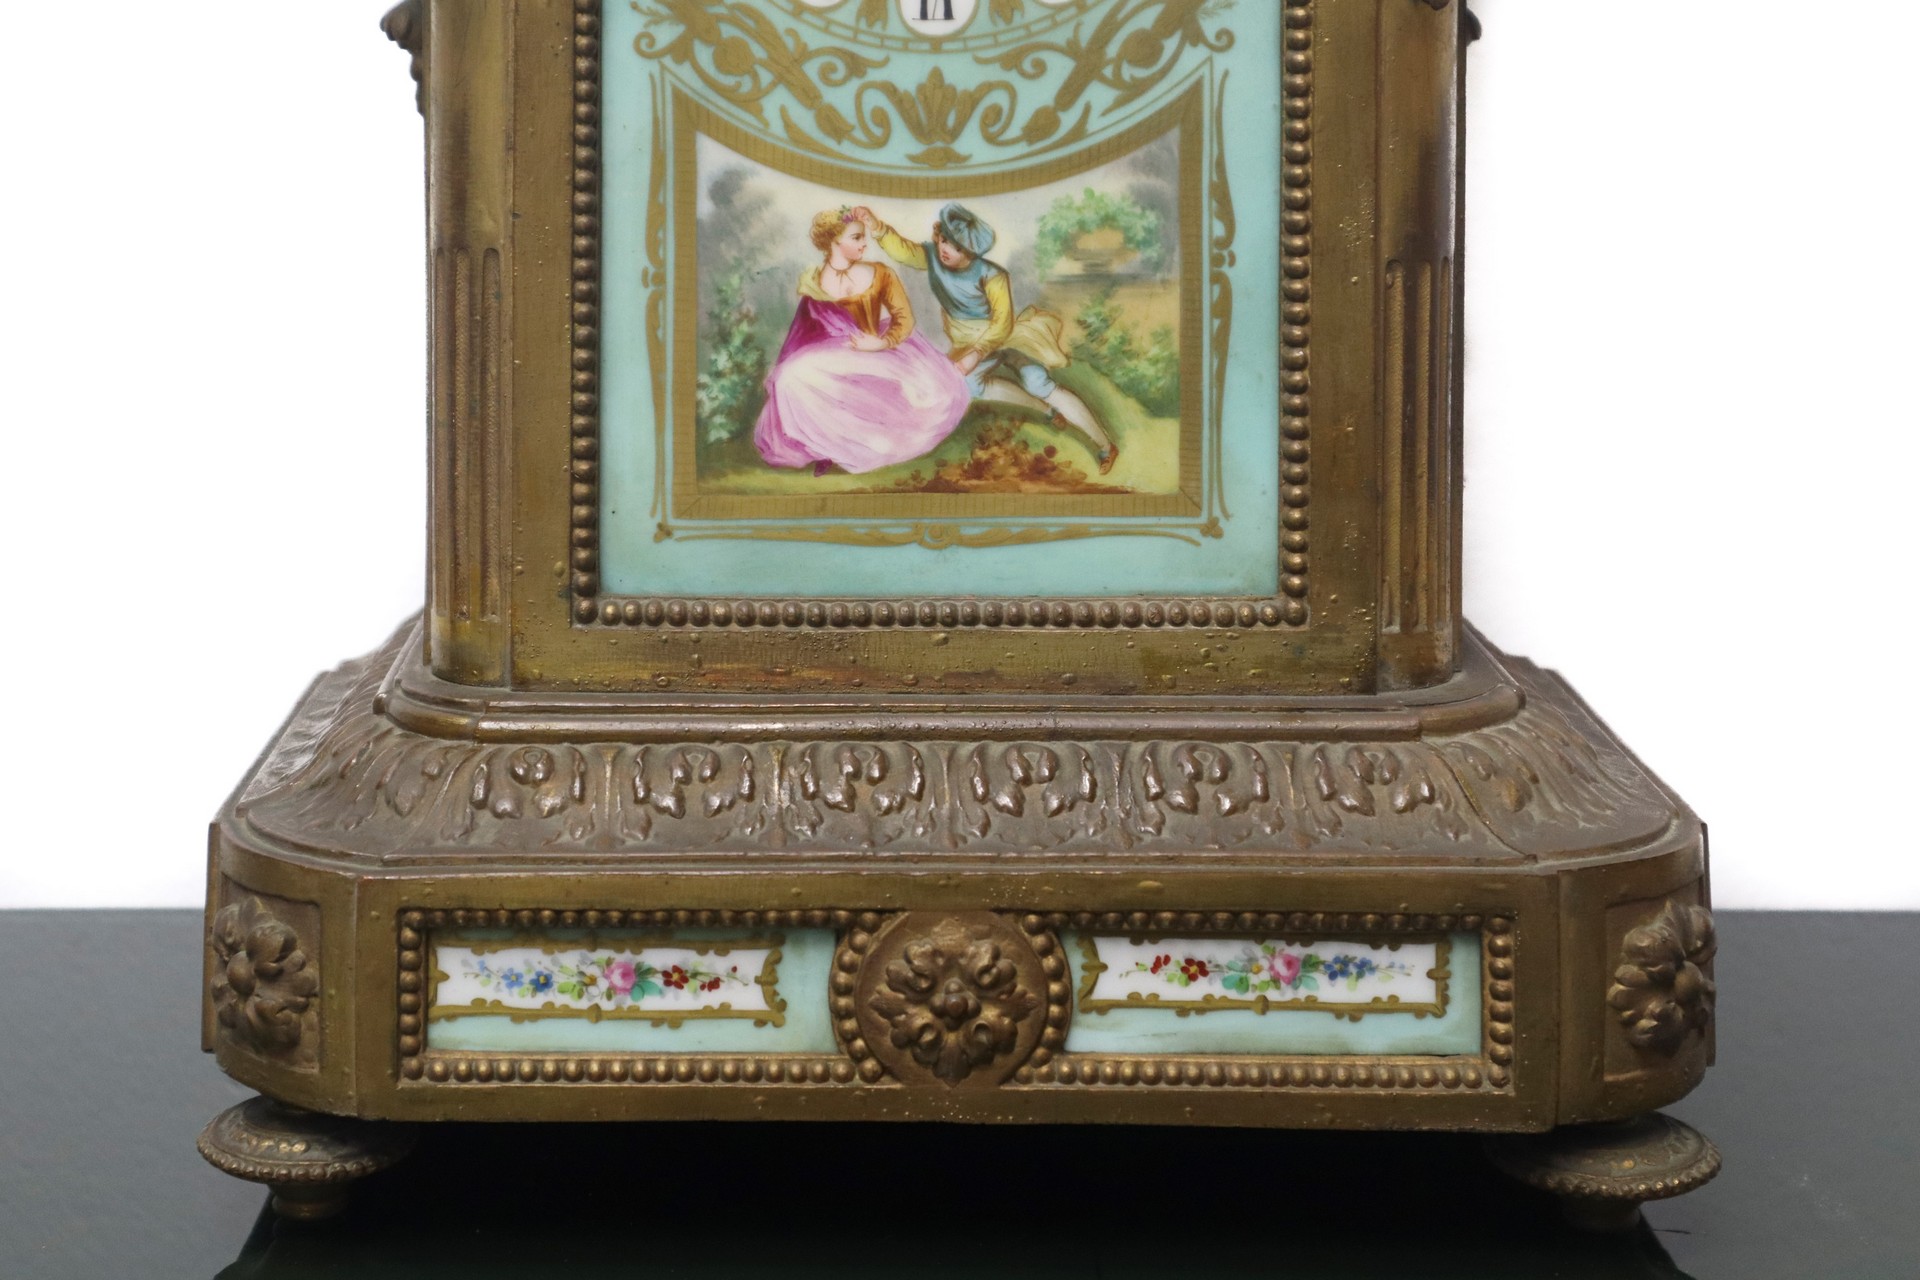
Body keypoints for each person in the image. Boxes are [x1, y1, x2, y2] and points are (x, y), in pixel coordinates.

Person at [856, 202, 1119, 473]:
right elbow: (903, 251)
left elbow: (1002, 324)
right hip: (968, 341)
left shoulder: (992, 276)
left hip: (1006, 337)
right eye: (944, 240)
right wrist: (876, 226)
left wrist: (977, 353)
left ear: (971, 252)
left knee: (1037, 382)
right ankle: (1046, 411)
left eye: (957, 247)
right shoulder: (933, 257)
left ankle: (1104, 445)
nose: (946, 249)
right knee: (972, 386)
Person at [753, 208, 971, 475]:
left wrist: (881, 343)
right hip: (831, 359)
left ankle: (870, 446)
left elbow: (904, 320)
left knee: (930, 392)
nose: (864, 244)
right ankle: (827, 447)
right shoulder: (815, 283)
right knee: (791, 377)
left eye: (863, 237)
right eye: (856, 238)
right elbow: (802, 334)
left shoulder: (880, 273)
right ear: (834, 242)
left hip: (875, 349)